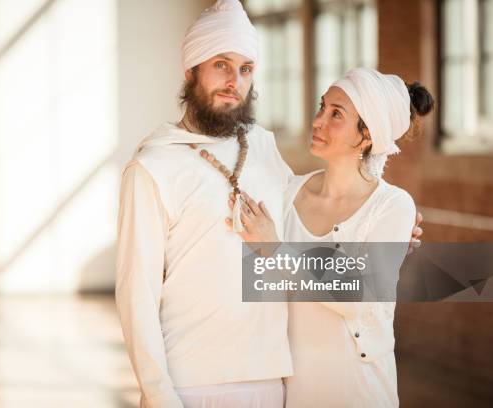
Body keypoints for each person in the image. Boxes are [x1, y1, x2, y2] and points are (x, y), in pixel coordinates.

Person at [116, 1, 294, 407]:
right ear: (191, 69)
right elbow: (135, 295)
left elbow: (311, 216)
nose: (235, 81)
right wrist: (160, 397)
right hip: (189, 385)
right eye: (221, 65)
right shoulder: (151, 167)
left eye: (246, 69)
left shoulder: (265, 147)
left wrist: (375, 218)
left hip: (271, 379)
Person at [226, 67, 434, 407]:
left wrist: (274, 249)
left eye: (336, 113)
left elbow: (358, 294)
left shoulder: (393, 205)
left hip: (361, 390)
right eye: (322, 107)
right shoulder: (287, 193)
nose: (318, 120)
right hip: (296, 390)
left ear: (367, 135)